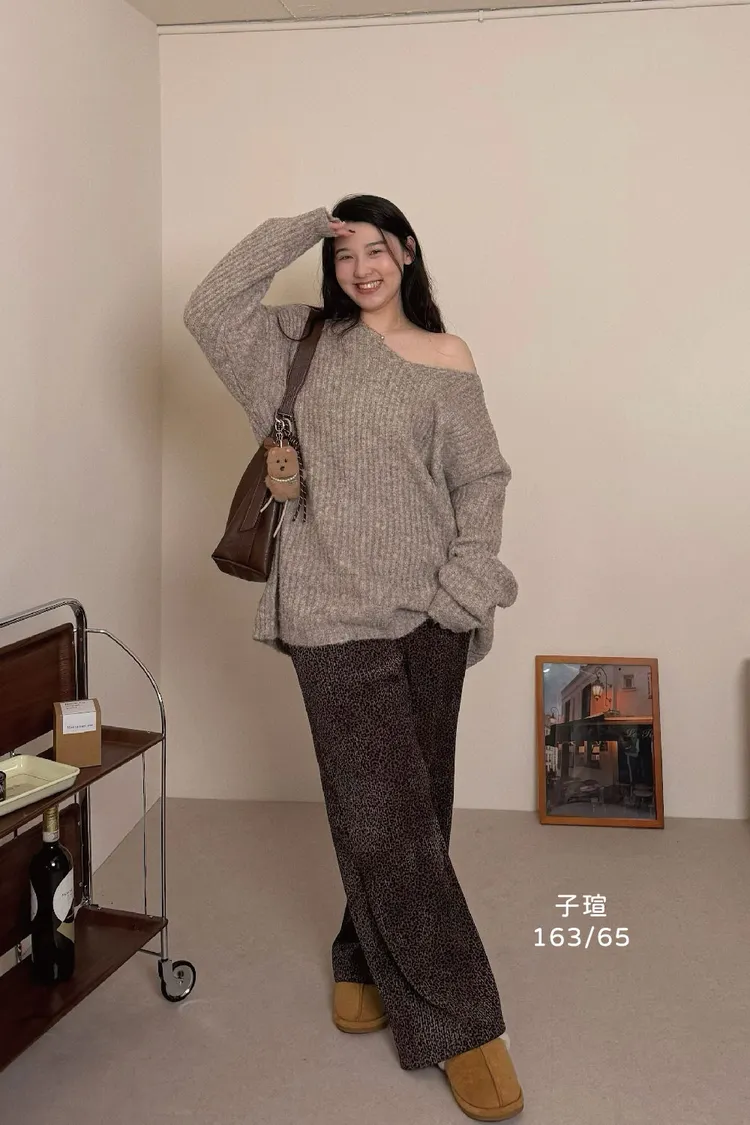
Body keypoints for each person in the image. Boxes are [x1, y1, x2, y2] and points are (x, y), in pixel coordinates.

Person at [184, 196, 522, 1121]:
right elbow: (209, 306)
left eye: (378, 249)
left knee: (418, 808)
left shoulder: (447, 357)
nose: (363, 268)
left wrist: (462, 591)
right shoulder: (297, 345)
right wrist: (307, 224)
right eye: (347, 255)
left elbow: (481, 480)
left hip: (433, 617)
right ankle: (463, 1024)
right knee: (383, 818)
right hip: (330, 615)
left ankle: (360, 955)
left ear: (407, 253)